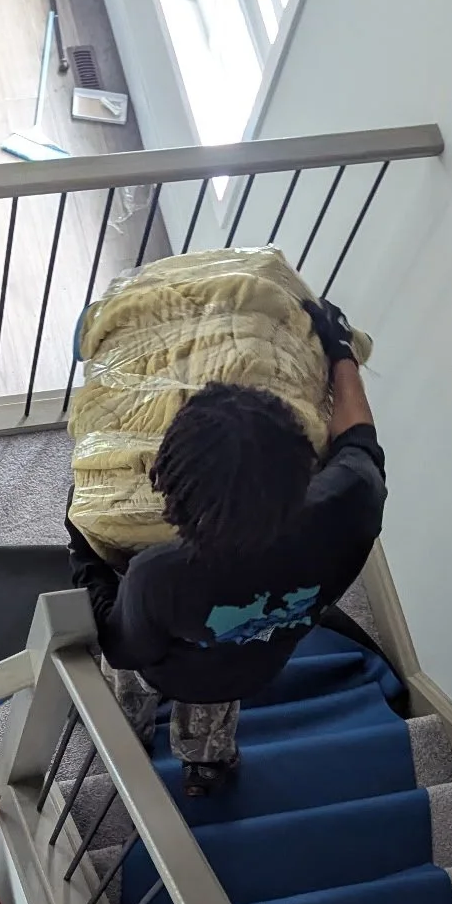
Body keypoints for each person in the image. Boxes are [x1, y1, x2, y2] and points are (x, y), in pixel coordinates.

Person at [66, 306, 385, 797]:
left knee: (129, 685)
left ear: (175, 491)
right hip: (255, 664)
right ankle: (206, 764)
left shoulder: (159, 574)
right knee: (214, 711)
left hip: (167, 664)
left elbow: (125, 645)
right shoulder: (351, 503)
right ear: (304, 462)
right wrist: (340, 351)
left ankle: (127, 737)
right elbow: (359, 437)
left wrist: (86, 553)